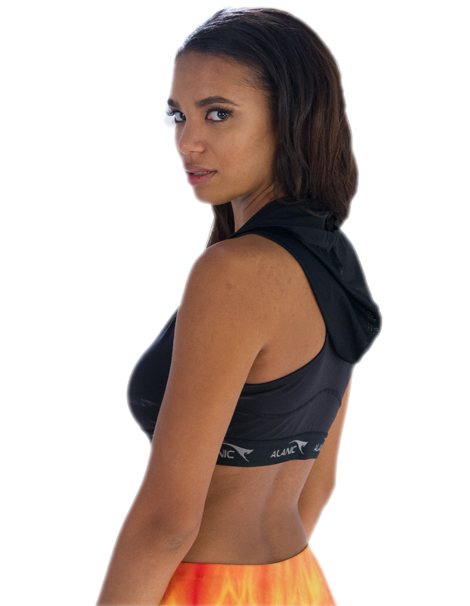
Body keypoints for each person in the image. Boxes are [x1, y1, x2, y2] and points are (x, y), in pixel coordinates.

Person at [96, 7, 382, 606]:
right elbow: (316, 485)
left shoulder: (232, 272)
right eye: (178, 114)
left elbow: (167, 522)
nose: (187, 141)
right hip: (297, 583)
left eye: (218, 113)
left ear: (291, 119)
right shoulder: (334, 261)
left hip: (207, 589)